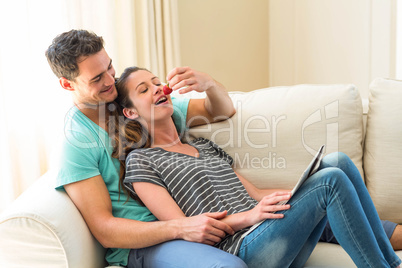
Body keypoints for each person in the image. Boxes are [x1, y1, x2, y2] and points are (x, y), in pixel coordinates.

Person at [114, 66, 402, 268]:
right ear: (131, 112)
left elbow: (253, 192)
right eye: (144, 90)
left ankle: (390, 263)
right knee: (330, 182)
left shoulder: (202, 145)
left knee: (336, 163)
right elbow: (184, 228)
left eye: (155, 82)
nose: (156, 88)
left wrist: (303, 194)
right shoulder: (142, 160)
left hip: (268, 230)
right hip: (242, 247)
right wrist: (250, 217)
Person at [45, 29, 248, 267]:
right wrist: (181, 227)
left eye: (109, 67)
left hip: (191, 222)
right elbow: (105, 229)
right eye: (97, 78)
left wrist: (210, 84)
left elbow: (220, 111)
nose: (111, 80)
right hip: (147, 244)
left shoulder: (129, 100)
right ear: (67, 84)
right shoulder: (76, 143)